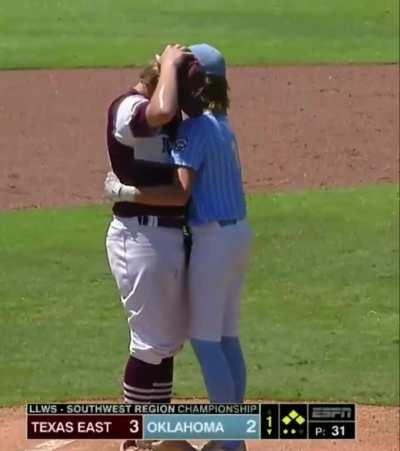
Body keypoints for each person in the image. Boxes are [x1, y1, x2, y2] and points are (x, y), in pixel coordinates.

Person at [106, 43, 252, 451]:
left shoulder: (192, 130)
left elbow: (179, 196)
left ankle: (228, 441)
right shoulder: (222, 123)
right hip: (235, 236)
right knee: (223, 338)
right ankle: (220, 436)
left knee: (202, 342)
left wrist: (123, 191)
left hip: (209, 241)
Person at [105, 44, 197, 451]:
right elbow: (157, 112)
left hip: (166, 237)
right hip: (139, 237)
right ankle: (135, 439)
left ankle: (156, 433)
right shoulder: (128, 109)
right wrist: (172, 65)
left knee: (165, 342)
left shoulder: (173, 118)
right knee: (149, 342)